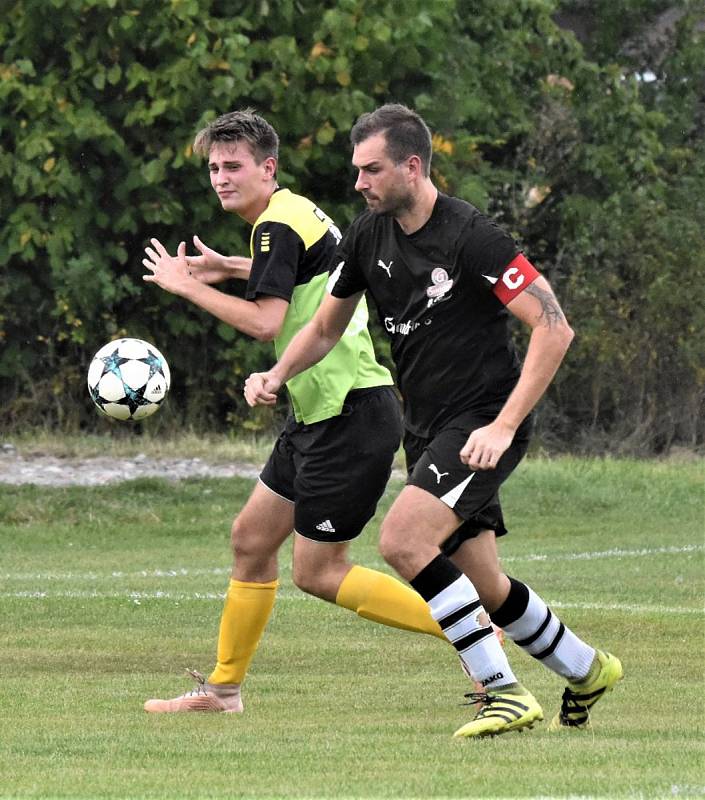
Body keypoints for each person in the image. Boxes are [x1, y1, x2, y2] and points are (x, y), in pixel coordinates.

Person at [245, 103, 623, 738]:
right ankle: (587, 669)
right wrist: (278, 375)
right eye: (356, 170)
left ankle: (502, 690)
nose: (359, 183)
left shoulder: (474, 237)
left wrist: (502, 426)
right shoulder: (368, 234)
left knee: (402, 540)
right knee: (488, 585)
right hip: (428, 428)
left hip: (481, 424)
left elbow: (554, 330)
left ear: (413, 166)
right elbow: (324, 325)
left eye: (372, 170)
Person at [140, 109, 450, 714]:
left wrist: (186, 285)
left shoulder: (273, 227)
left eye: (234, 166)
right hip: (319, 412)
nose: (221, 178)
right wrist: (228, 268)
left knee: (319, 571)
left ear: (268, 168)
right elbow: (318, 270)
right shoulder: (294, 213)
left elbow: (265, 323)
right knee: (251, 540)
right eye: (213, 168)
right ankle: (223, 691)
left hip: (351, 412)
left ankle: (471, 628)